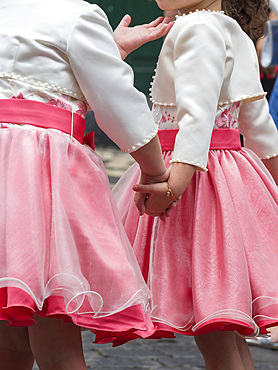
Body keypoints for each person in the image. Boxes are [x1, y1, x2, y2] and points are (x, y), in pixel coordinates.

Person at [0, 0, 174, 369]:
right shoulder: (77, 15)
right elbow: (115, 100)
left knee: (10, 326)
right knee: (53, 323)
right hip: (36, 175)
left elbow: (42, 75)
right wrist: (156, 171)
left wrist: (113, 50)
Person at [113, 0, 278, 368]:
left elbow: (197, 117)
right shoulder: (229, 29)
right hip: (229, 177)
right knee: (226, 335)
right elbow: (259, 125)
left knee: (216, 333)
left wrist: (171, 188)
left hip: (197, 183)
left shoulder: (196, 26)